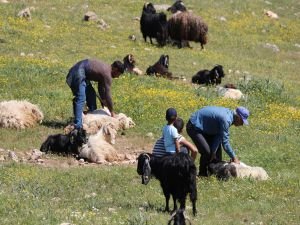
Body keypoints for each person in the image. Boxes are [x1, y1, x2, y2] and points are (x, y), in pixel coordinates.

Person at [186, 106, 250, 177]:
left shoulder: (230, 117)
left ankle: (214, 174)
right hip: (194, 126)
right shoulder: (226, 119)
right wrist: (234, 157)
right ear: (237, 117)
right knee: (207, 152)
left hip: (208, 128)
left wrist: (214, 150)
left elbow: (219, 135)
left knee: (216, 155)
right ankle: (202, 174)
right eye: (242, 121)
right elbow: (225, 143)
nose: (242, 124)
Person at [66, 59, 124, 129]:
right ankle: (77, 126)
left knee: (91, 95)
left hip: (82, 72)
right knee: (81, 97)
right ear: (115, 69)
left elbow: (101, 88)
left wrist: (103, 99)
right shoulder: (107, 74)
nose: (117, 77)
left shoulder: (106, 71)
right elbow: (108, 95)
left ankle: (89, 117)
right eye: (118, 74)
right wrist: (112, 112)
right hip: (78, 71)